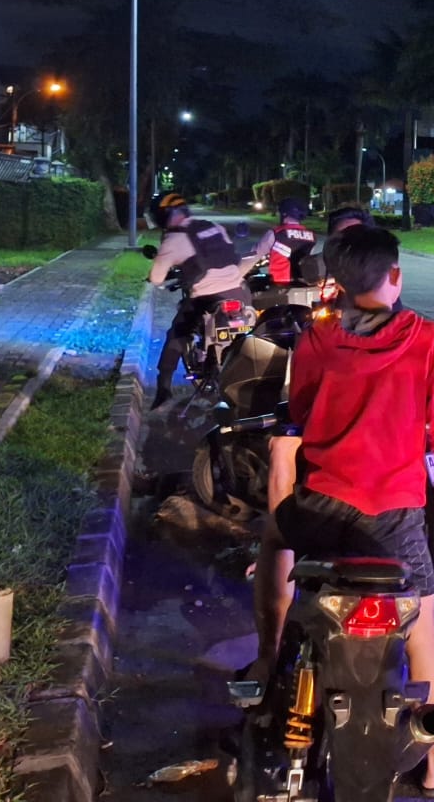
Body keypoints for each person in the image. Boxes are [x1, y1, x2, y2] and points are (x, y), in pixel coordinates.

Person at [275, 223, 434, 797]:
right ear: (395, 275)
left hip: (321, 509)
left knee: (299, 592)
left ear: (336, 282)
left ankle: (273, 672)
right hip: (396, 519)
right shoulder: (430, 341)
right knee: (421, 640)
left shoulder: (314, 342)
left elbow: (305, 413)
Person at [249, 203, 380, 671]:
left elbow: (302, 408)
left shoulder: (326, 331)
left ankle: (268, 656)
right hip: (391, 492)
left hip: (352, 481)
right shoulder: (409, 330)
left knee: (282, 460)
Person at [147, 192, 253, 410]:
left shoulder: (173, 239)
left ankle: (164, 388)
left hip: (206, 298)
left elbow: (157, 278)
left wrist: (155, 276)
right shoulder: (214, 226)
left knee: (177, 333)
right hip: (239, 292)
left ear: (162, 216)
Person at [247, 197, 318, 285]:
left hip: (280, 284)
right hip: (303, 282)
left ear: (283, 214)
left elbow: (253, 254)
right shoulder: (312, 236)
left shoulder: (276, 234)